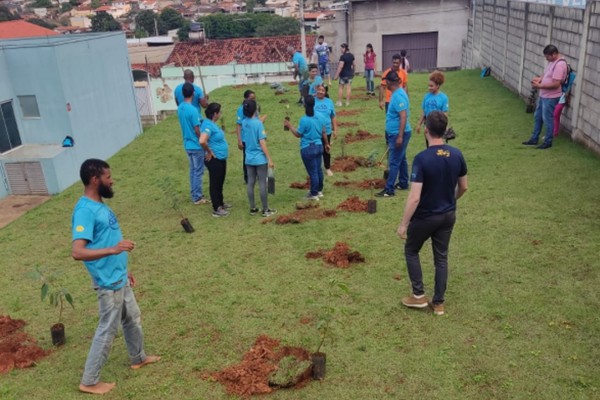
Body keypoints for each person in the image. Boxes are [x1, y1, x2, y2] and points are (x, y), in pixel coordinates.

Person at [71, 159, 160, 395]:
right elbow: (77, 251)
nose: (112, 181)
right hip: (107, 283)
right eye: (108, 177)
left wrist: (123, 266)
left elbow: (108, 239)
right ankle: (89, 381)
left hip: (119, 276)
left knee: (132, 318)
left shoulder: (99, 205)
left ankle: (138, 357)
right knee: (107, 329)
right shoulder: (84, 211)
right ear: (95, 180)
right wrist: (114, 251)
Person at [397, 111, 468, 316]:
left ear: (426, 130)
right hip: (448, 215)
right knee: (441, 258)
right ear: (445, 130)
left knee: (411, 250)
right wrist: (450, 200)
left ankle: (418, 296)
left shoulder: (422, 159)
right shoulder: (456, 155)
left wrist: (403, 223)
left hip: (426, 217)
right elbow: (463, 187)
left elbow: (414, 197)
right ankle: (438, 304)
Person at [522, 44, 568, 149]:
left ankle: (548, 142)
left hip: (551, 98)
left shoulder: (560, 65)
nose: (546, 58)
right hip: (544, 96)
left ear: (554, 54)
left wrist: (539, 86)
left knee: (548, 119)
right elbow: (546, 74)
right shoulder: (552, 62)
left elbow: (556, 84)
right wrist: (539, 79)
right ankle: (534, 139)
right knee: (538, 117)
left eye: (547, 56)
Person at [284, 95, 330, 200]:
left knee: (313, 172)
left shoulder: (304, 120)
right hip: (319, 146)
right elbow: (324, 132)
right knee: (318, 170)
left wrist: (289, 126)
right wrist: (326, 144)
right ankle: (319, 190)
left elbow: (298, 134)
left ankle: (313, 194)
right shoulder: (320, 116)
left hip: (308, 148)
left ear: (304, 105)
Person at [376, 71, 411, 197]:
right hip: (397, 133)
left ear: (390, 82)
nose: (385, 85)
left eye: (386, 83)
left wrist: (400, 136)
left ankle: (389, 189)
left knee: (394, 161)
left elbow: (403, 116)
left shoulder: (397, 96)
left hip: (398, 133)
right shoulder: (398, 93)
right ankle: (403, 182)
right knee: (401, 158)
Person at [241, 99, 276, 217]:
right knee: (262, 183)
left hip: (248, 158)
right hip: (259, 158)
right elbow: (262, 143)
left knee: (250, 182)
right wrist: (269, 158)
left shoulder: (244, 122)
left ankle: (253, 208)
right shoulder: (258, 124)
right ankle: (265, 209)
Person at [178, 82, 208, 204]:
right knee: (198, 171)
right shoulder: (193, 110)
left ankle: (194, 193)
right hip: (196, 145)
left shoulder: (180, 107)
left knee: (193, 170)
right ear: (193, 93)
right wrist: (203, 139)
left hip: (187, 143)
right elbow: (197, 129)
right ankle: (197, 197)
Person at [200, 103, 230, 217]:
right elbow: (202, 140)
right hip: (214, 159)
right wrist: (209, 151)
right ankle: (216, 207)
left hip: (221, 158)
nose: (220, 114)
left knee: (220, 181)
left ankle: (221, 203)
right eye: (219, 112)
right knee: (215, 183)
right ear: (215, 114)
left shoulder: (212, 124)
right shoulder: (207, 125)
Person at [236, 90, 267, 184]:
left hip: (255, 136)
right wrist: (239, 140)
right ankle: (248, 177)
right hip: (246, 138)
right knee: (247, 156)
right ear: (246, 98)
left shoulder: (254, 108)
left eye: (254, 98)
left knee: (258, 154)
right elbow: (238, 125)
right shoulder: (241, 109)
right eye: (251, 98)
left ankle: (258, 174)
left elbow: (256, 121)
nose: (254, 100)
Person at [416, 70, 449, 147]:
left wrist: (446, 127)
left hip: (438, 125)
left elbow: (445, 114)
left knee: (438, 144)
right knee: (429, 144)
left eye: (431, 86)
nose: (429, 88)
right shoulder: (426, 96)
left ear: (437, 86)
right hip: (428, 124)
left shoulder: (443, 98)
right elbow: (424, 112)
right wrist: (419, 124)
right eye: (428, 85)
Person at [314, 84, 337, 176]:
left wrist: (335, 129)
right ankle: (317, 168)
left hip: (327, 130)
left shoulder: (329, 102)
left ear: (325, 92)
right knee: (316, 150)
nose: (320, 92)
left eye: (322, 90)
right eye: (319, 90)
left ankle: (327, 168)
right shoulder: (312, 100)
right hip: (315, 130)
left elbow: (333, 116)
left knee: (326, 149)